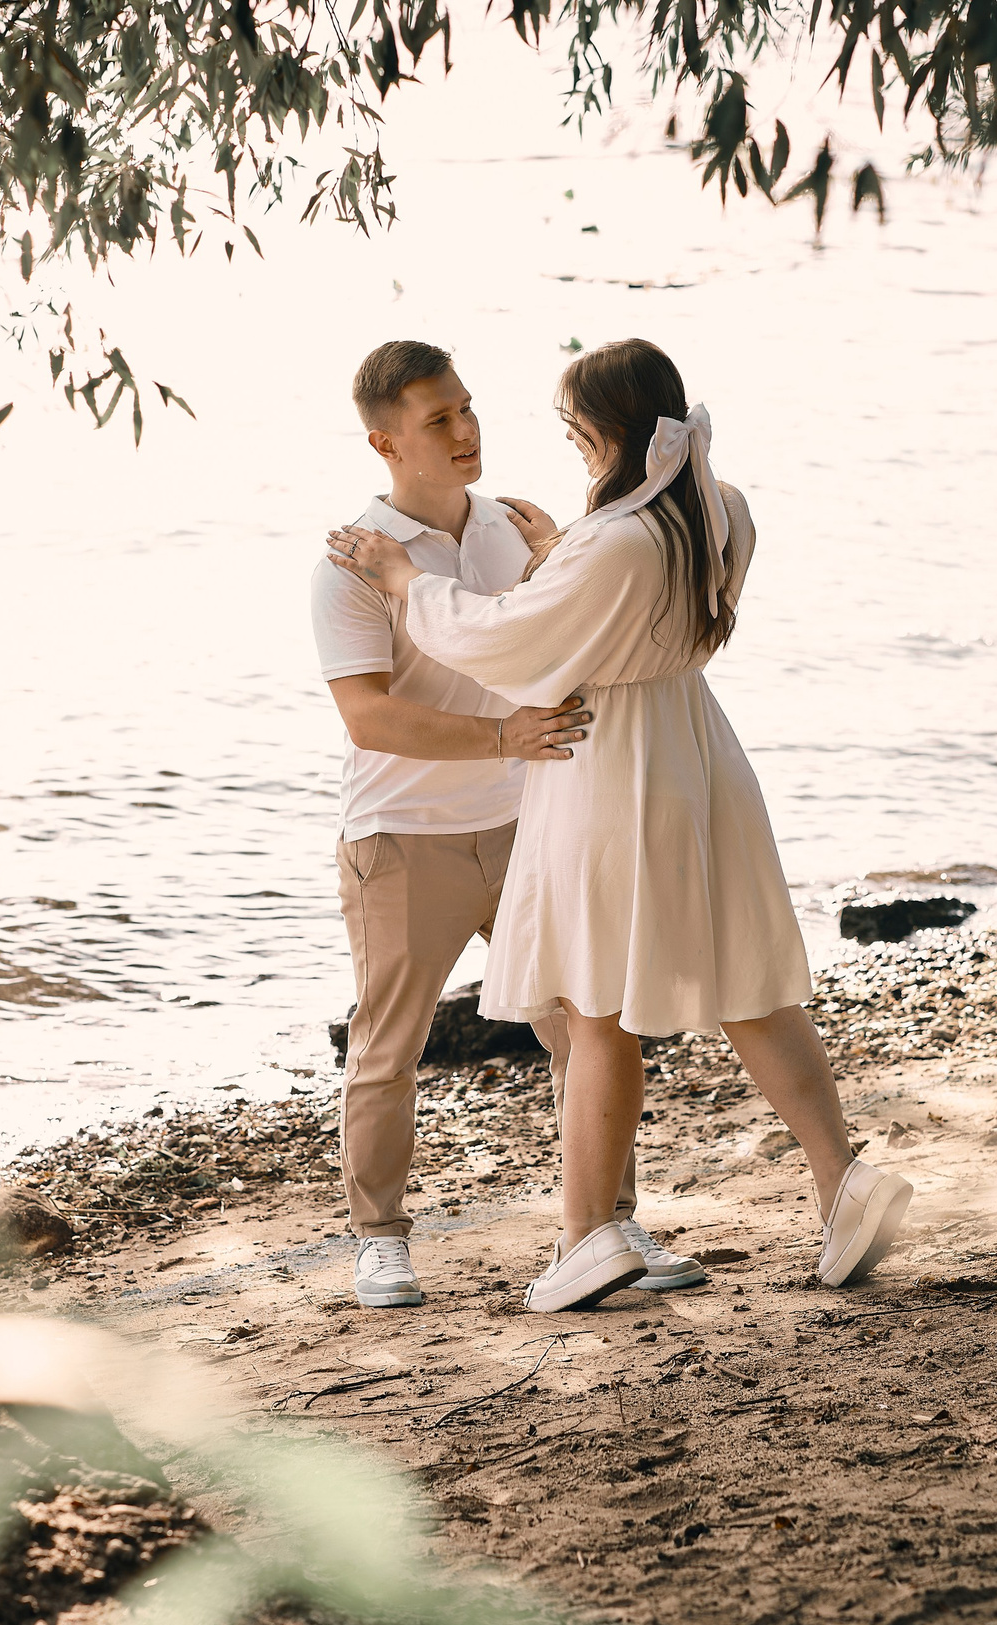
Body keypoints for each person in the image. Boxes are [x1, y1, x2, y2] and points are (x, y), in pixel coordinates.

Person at [326, 338, 914, 1311]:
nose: (564, 443)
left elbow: (504, 641)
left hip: (610, 766)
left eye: (573, 430)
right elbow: (628, 601)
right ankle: (842, 1181)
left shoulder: (606, 543)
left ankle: (586, 1235)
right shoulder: (717, 509)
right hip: (698, 753)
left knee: (592, 1006)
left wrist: (405, 582)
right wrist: (563, 555)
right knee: (750, 989)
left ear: (605, 430)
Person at [312, 339, 712, 1308]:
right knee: (387, 1046)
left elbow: (585, 636)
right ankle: (379, 1240)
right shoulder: (354, 563)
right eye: (438, 419)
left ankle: (607, 1224)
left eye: (467, 407)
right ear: (385, 443)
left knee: (586, 1025)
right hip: (402, 837)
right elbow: (367, 716)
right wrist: (503, 735)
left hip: (532, 824)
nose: (465, 429)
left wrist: (553, 559)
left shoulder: (519, 531)